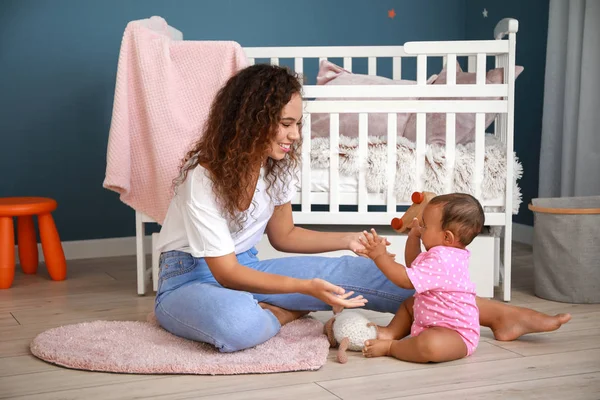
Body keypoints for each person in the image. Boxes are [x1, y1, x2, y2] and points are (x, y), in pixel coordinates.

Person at [153, 63, 571, 353]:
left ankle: (500, 315)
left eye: (298, 123)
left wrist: (348, 240)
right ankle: (285, 312)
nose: (295, 136)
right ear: (248, 120)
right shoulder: (204, 178)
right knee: (238, 326)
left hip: (250, 266)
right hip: (190, 279)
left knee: (391, 280)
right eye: (286, 124)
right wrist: (302, 291)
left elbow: (284, 237)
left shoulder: (276, 167)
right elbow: (224, 274)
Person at [357, 193, 485, 363]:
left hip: (455, 334)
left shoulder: (443, 259)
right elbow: (414, 266)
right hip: (430, 319)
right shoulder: (444, 253)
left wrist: (380, 256)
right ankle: (391, 332)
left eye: (424, 226)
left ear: (447, 237)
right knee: (409, 305)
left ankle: (391, 347)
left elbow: (405, 280)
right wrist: (414, 236)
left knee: (429, 346)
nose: (420, 227)